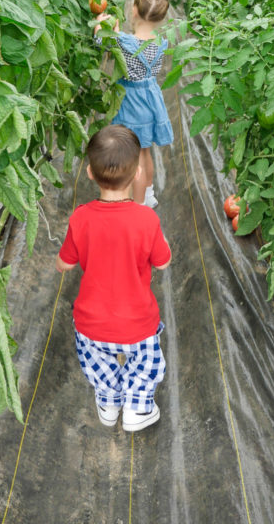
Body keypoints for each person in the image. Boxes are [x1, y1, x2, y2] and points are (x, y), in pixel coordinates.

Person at [56, 125, 172, 432]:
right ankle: (137, 409)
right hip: (137, 322)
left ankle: (109, 403)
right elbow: (163, 263)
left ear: (90, 174)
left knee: (101, 366)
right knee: (145, 365)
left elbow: (64, 264)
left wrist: (65, 259)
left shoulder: (80, 217)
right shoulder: (147, 219)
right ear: (136, 174)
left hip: (91, 322)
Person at [94, 0, 177, 208]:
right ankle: (148, 194)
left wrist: (102, 25)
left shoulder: (124, 42)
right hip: (150, 99)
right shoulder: (161, 42)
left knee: (132, 155)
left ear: (133, 10)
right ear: (162, 18)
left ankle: (137, 205)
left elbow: (101, 39)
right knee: (145, 151)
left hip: (131, 101)